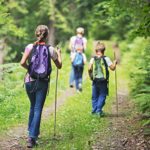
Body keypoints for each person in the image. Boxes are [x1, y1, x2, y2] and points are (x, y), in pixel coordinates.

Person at [20, 25, 62, 148]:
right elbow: (59, 66)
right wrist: (59, 54)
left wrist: (31, 70)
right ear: (47, 35)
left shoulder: (29, 47)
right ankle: (32, 137)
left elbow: (22, 63)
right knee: (38, 108)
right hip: (42, 82)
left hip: (29, 81)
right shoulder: (50, 49)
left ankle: (31, 131)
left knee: (33, 106)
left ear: (36, 34)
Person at [88, 41, 117, 116]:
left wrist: (91, 76)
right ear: (104, 50)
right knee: (102, 95)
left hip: (95, 80)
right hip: (103, 81)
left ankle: (94, 111)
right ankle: (98, 111)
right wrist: (114, 62)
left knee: (94, 96)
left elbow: (89, 68)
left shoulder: (93, 59)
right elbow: (113, 68)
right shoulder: (106, 58)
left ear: (96, 51)